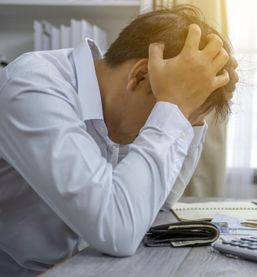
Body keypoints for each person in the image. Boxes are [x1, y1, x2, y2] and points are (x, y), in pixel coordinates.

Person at [0, 5, 238, 276]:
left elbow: (159, 202)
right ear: (139, 76)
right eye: (170, 112)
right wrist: (173, 107)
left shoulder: (113, 108)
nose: (170, 120)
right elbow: (117, 230)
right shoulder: (33, 87)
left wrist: (192, 117)